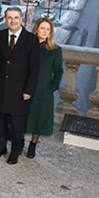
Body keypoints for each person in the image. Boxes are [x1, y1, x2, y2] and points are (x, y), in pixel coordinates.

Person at [0, 7, 40, 165]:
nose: (12, 21)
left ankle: (15, 152)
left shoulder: (31, 40)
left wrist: (28, 90)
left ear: (21, 19)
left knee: (17, 124)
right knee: (1, 122)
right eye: (9, 17)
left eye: (16, 18)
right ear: (5, 19)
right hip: (1, 87)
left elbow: (34, 68)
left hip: (20, 90)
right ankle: (1, 148)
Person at [25, 18, 63, 159]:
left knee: (39, 118)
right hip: (26, 87)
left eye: (48, 29)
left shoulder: (55, 50)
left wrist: (52, 87)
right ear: (36, 29)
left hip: (43, 90)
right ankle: (20, 141)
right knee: (24, 115)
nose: (45, 31)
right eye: (42, 28)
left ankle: (33, 144)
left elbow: (59, 71)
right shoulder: (28, 45)